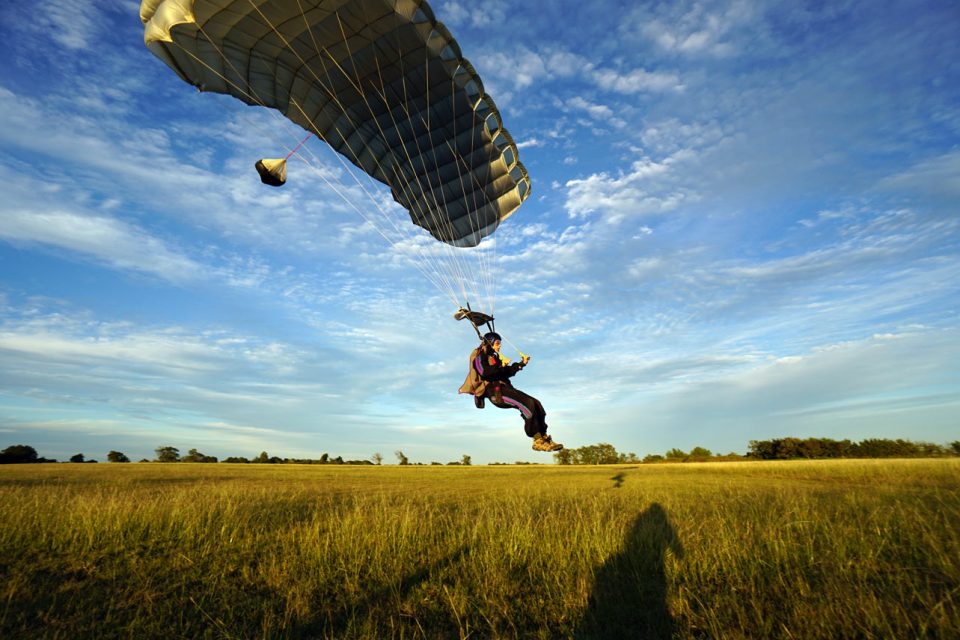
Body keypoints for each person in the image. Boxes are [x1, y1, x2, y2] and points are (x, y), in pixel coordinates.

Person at [459, 332, 563, 452]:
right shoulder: (479, 357)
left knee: (536, 404)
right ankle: (537, 440)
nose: (499, 346)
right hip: (495, 393)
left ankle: (544, 437)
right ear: (489, 343)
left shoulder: (494, 358)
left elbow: (505, 372)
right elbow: (484, 372)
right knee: (527, 404)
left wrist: (520, 364)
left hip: (506, 389)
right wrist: (500, 366)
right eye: (497, 343)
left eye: (500, 344)